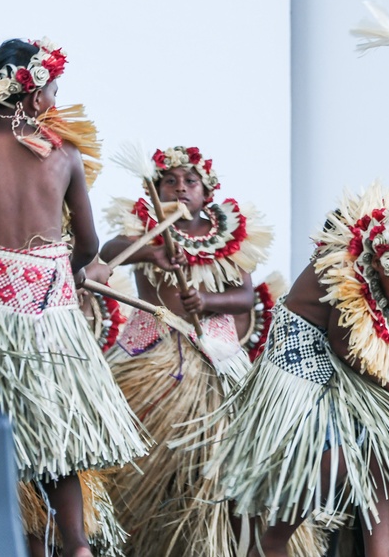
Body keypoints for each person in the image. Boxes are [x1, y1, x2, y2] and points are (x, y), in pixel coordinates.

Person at [200, 185, 389, 557]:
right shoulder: (349, 268)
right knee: (330, 467)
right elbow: (345, 344)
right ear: (384, 261)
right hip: (300, 372)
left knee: (383, 451)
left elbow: (378, 339)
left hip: (337, 373)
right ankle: (269, 544)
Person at [0, 38, 145, 557]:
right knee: (57, 442)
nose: (54, 99)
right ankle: (76, 546)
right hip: (49, 312)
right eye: (50, 88)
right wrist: (60, 270)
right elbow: (89, 244)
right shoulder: (64, 155)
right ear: (30, 93)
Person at [101, 145, 278, 557]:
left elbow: (245, 295)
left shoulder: (231, 232)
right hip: (152, 346)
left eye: (190, 182)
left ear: (206, 190)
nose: (180, 188)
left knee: (224, 450)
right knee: (141, 445)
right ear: (156, 188)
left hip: (214, 347)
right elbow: (109, 253)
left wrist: (207, 301)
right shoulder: (144, 224)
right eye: (170, 181)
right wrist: (152, 251)